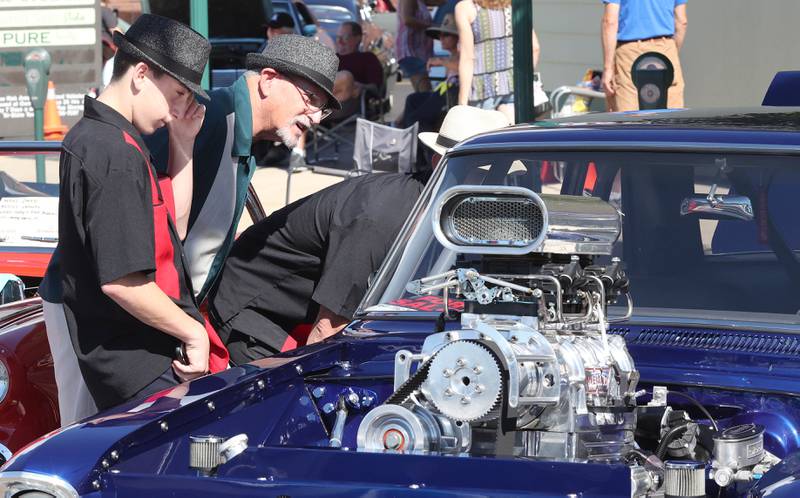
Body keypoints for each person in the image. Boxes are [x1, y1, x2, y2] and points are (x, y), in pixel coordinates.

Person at [208, 105, 509, 365]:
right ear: (438, 164)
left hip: (303, 311)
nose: (499, 184)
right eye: (486, 170)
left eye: (503, 172)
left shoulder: (437, 208)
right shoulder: (380, 218)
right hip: (252, 313)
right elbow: (327, 329)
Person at [40, 14, 215, 423]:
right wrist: (193, 333)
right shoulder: (114, 152)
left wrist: (183, 144)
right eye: (175, 94)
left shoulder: (112, 138)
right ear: (140, 74)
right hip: (123, 354)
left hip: (123, 344)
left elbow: (173, 227)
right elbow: (123, 282)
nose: (176, 111)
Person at [147, 34, 342, 302]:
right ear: (268, 80)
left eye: (323, 109)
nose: (317, 117)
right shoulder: (204, 120)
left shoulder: (232, 128)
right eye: (311, 99)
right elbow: (137, 226)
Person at [455, 0, 540, 124]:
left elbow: (468, 57)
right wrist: (522, 80)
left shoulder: (466, 8)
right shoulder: (514, 4)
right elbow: (534, 48)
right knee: (512, 137)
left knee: (481, 139)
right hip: (514, 86)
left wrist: (462, 104)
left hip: (483, 89)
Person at [601, 0, 688, 111]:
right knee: (672, 116)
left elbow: (610, 22)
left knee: (628, 118)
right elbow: (681, 22)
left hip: (630, 52)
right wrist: (671, 51)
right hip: (666, 47)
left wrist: (608, 68)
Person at [396, 14, 460, 131]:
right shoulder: (451, 56)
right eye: (440, 35)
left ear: (458, 37)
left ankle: (423, 147)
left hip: (453, 95)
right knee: (412, 99)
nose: (441, 38)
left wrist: (441, 61)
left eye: (446, 35)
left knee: (416, 119)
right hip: (445, 92)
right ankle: (408, 142)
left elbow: (465, 68)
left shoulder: (464, 54)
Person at [396, 0, 434, 92]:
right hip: (411, 51)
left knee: (424, 92)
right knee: (425, 93)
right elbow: (407, 19)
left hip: (419, 53)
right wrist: (430, 26)